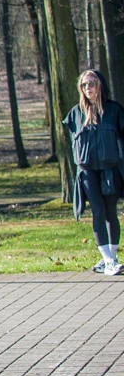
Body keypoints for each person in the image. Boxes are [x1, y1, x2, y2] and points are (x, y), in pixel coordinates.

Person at [63, 69, 124, 275]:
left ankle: (111, 258)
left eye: (91, 83)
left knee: (110, 212)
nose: (87, 87)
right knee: (97, 211)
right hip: (88, 171)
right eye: (84, 84)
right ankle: (108, 260)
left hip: (110, 169)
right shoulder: (76, 113)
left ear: (100, 85)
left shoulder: (114, 110)